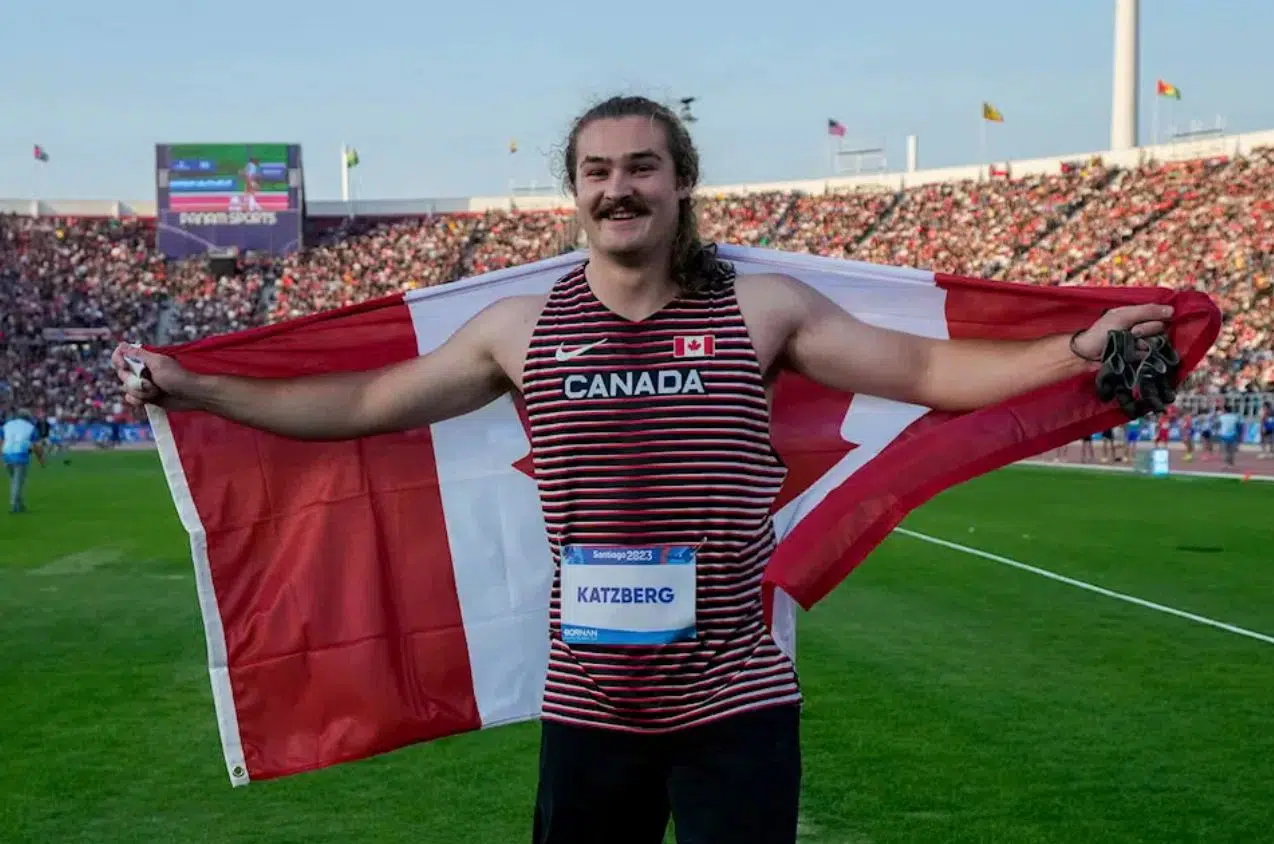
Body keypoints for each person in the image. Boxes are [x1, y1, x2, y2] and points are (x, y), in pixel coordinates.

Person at [113, 95, 1174, 844]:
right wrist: (197, 387)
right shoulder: (515, 330)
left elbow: (931, 367)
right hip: (591, 705)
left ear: (679, 184)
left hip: (736, 698)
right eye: (597, 171)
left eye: (639, 167)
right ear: (572, 192)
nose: (618, 188)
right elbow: (355, 404)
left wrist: (1076, 350)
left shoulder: (759, 311)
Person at [3, 408, 43, 513]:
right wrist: (41, 459)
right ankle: (14, 505)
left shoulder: (7, 425)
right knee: (18, 482)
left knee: (15, 481)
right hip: (20, 456)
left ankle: (20, 505)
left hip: (6, 456)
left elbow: (2, 440)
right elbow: (37, 446)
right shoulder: (31, 428)